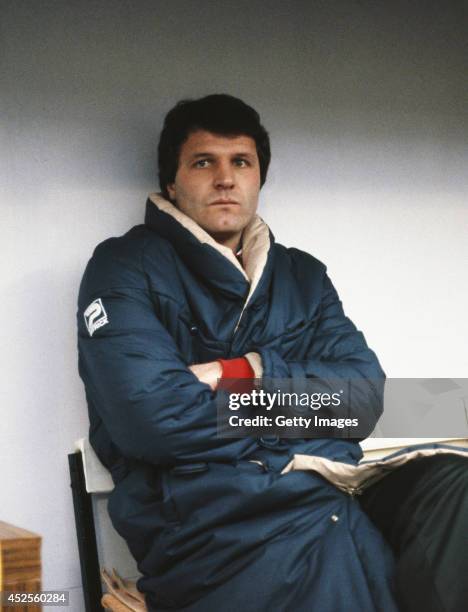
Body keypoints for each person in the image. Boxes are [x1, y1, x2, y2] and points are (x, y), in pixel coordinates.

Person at [78, 94, 468, 612]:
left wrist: (244, 370)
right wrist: (308, 411)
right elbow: (153, 419)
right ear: (171, 183)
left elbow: (366, 397)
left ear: (259, 178)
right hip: (214, 524)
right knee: (331, 556)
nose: (225, 178)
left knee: (455, 490)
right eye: (203, 162)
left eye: (241, 162)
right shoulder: (122, 267)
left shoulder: (301, 275)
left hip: (325, 489)